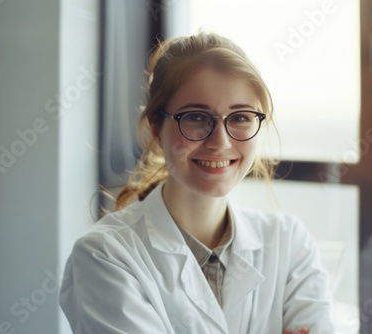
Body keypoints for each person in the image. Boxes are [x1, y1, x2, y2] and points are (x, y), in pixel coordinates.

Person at [59, 32, 335, 334]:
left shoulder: (289, 243)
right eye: (196, 117)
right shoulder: (105, 255)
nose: (220, 142)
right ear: (155, 128)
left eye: (240, 117)